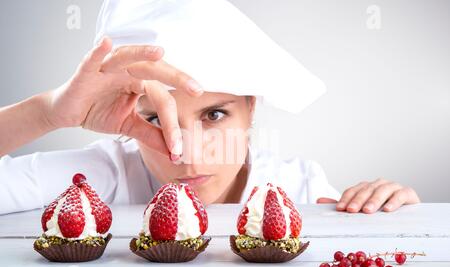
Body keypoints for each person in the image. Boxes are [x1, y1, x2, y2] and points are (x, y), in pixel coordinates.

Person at [0, 0, 420, 215]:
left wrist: (393, 211)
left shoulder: (301, 187)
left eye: (214, 115)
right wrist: (49, 112)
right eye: (154, 118)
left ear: (251, 108)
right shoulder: (99, 177)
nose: (188, 152)